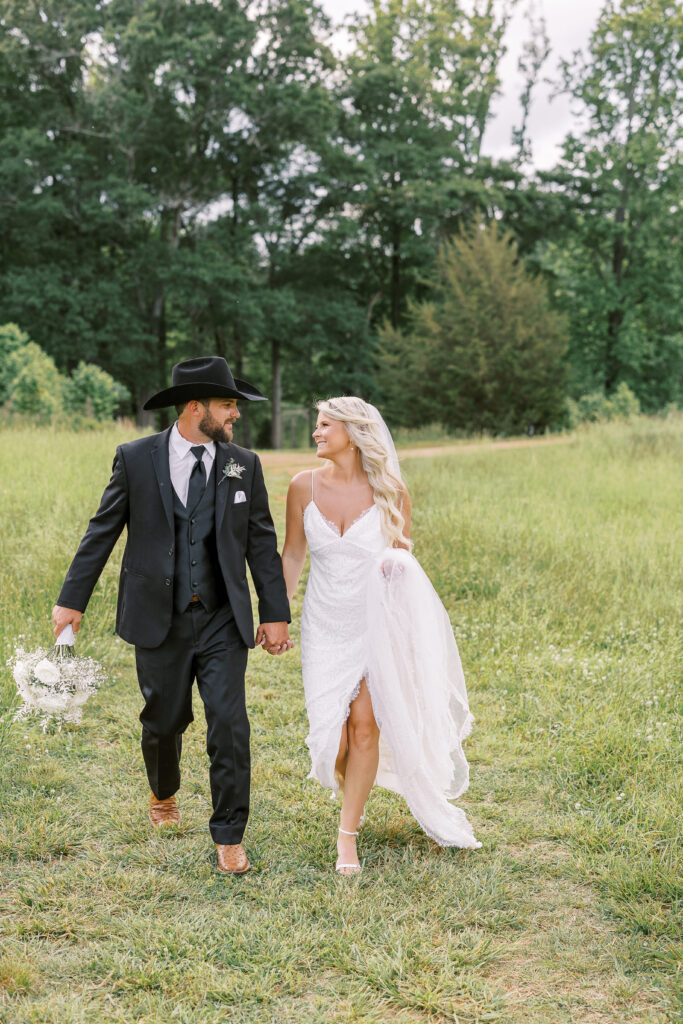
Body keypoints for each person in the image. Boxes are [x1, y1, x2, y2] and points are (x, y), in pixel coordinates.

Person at [52, 356, 293, 875]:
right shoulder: (136, 458)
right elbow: (102, 530)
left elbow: (261, 543)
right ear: (194, 407)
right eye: (228, 405)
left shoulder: (242, 464)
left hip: (222, 617)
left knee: (229, 723)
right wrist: (72, 600)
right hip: (157, 616)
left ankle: (229, 833)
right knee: (164, 718)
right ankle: (163, 794)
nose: (236, 415)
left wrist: (275, 613)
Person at [282, 397, 480, 875]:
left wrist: (396, 572)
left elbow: (404, 561)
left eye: (325, 425)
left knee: (365, 725)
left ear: (353, 433)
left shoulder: (391, 491)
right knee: (337, 737)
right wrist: (275, 615)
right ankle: (355, 791)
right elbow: (291, 555)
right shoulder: (301, 486)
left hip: (376, 622)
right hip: (325, 624)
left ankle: (346, 836)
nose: (316, 433)